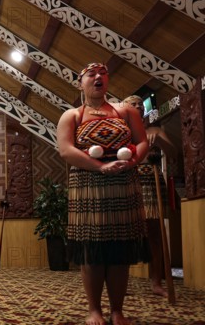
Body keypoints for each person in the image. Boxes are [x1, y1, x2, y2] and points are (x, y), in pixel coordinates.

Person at [57, 63, 150, 325]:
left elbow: (142, 142)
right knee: (93, 249)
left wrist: (132, 162)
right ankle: (94, 309)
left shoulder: (126, 111)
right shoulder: (72, 116)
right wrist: (100, 166)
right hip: (87, 188)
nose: (98, 77)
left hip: (123, 184)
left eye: (103, 73)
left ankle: (117, 309)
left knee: (120, 249)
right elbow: (65, 150)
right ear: (80, 82)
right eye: (91, 74)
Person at [123, 95, 177, 297]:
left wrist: (160, 143)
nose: (138, 106)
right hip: (129, 183)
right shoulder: (121, 134)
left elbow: (173, 152)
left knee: (155, 234)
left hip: (152, 183)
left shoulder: (155, 130)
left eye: (140, 104)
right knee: (126, 235)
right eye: (133, 104)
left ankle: (156, 282)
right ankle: (122, 282)